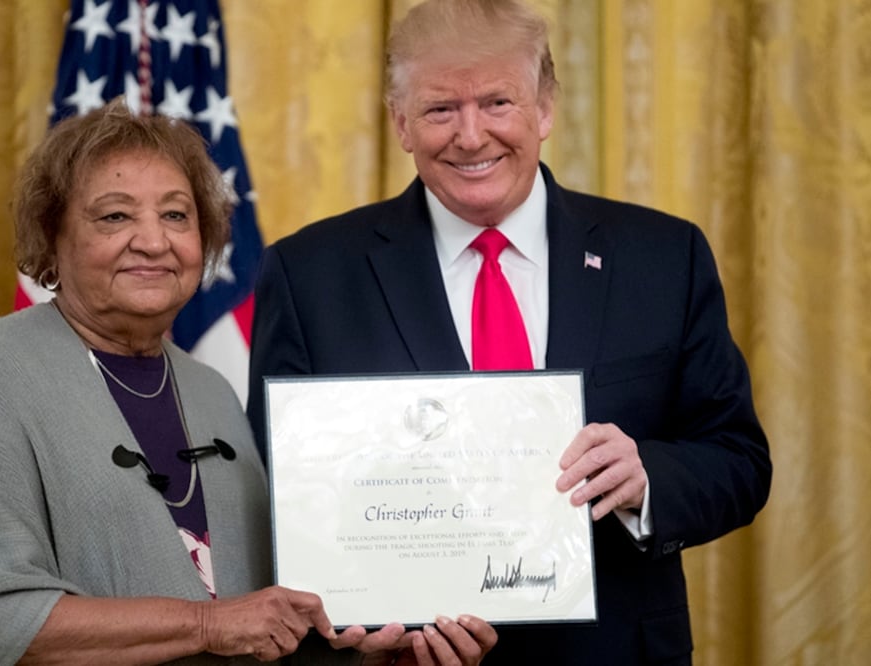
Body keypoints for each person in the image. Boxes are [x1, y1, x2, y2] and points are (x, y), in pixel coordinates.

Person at [0, 98, 493, 665]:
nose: (153, 241)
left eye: (176, 214)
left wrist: (369, 655)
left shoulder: (213, 392)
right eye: (115, 216)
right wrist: (205, 625)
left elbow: (261, 620)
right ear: (52, 239)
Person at [246, 1, 772, 664]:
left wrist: (645, 481)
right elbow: (277, 494)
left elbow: (737, 461)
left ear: (545, 109)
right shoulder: (310, 274)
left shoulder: (663, 257)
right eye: (440, 109)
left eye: (497, 102)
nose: (470, 136)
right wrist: (357, 640)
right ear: (399, 123)